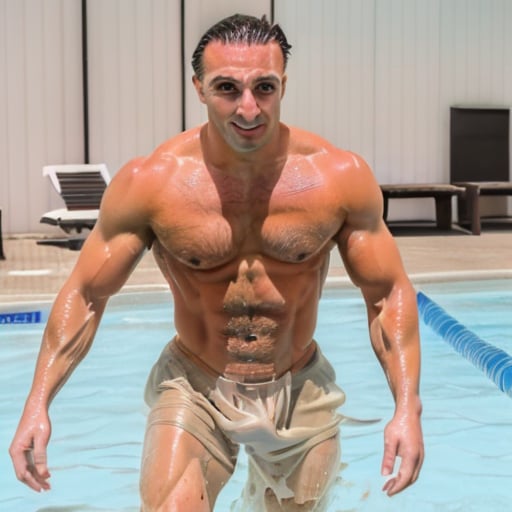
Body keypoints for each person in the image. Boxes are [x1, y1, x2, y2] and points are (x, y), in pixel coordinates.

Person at [10, 13, 423, 511]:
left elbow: (386, 294)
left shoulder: (337, 177)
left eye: (264, 88)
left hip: (299, 386)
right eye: (227, 88)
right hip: (195, 382)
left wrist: (407, 406)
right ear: (199, 88)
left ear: (283, 84)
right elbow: (86, 293)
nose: (248, 108)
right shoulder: (153, 182)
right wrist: (38, 403)